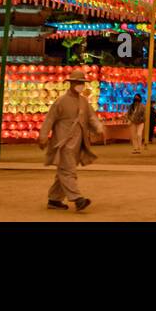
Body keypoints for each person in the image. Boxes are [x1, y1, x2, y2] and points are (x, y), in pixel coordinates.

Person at [38, 68, 105, 213]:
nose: (80, 85)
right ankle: (77, 199)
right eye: (77, 82)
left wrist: (98, 128)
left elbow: (91, 118)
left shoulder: (83, 101)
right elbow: (49, 120)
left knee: (63, 170)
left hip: (78, 142)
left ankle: (54, 199)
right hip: (63, 142)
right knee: (68, 171)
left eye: (82, 82)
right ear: (71, 83)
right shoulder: (60, 101)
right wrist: (43, 136)